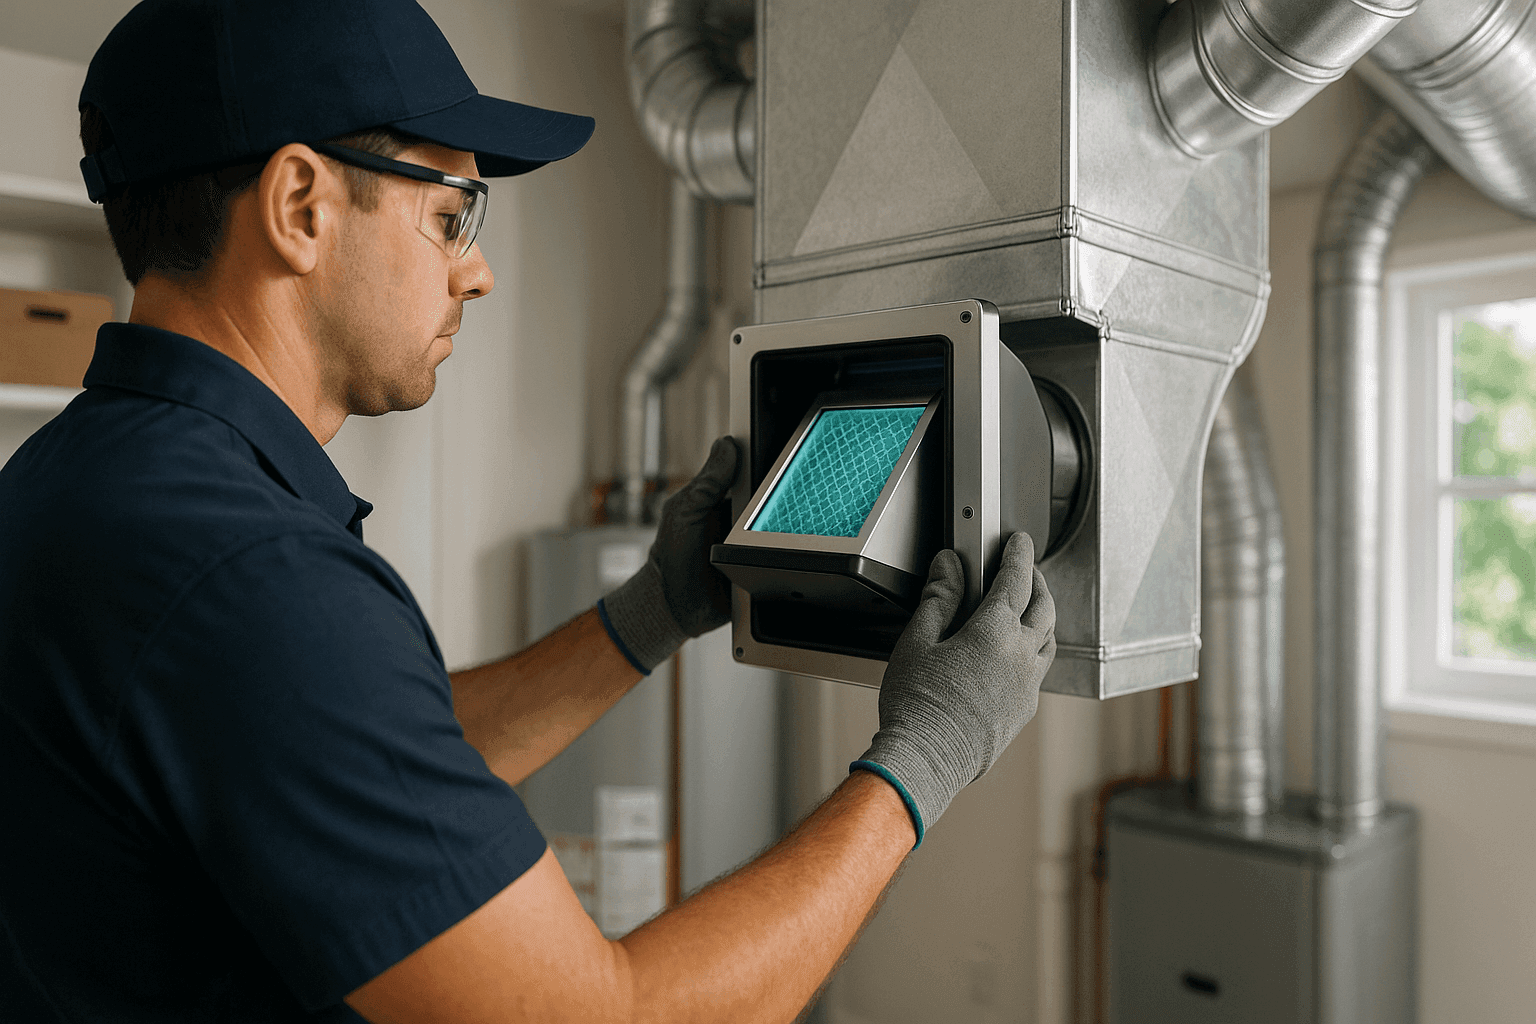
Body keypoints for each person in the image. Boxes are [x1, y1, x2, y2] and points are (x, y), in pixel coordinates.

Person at [0, 1, 1057, 1021]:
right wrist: (927, 754)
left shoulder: (77, 481)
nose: (480, 272)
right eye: (450, 215)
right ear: (300, 207)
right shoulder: (244, 571)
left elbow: (365, 756)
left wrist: (650, 612)